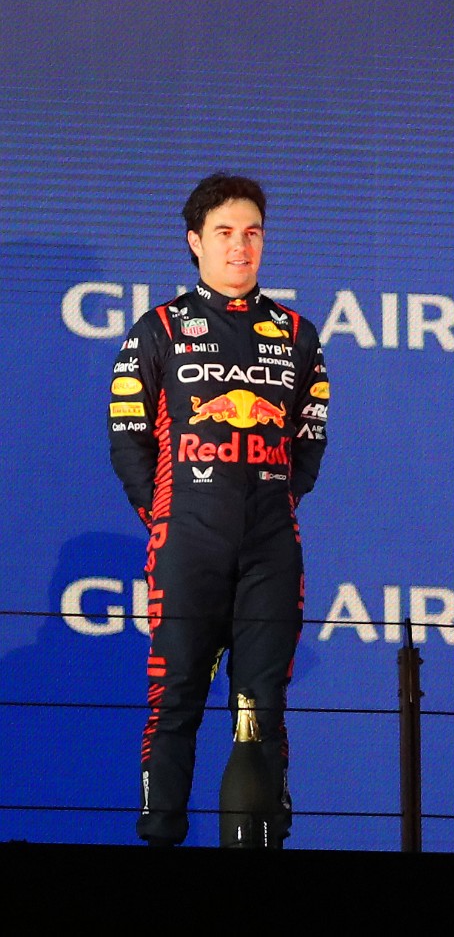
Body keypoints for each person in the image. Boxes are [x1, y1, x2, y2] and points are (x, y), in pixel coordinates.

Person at [109, 173, 330, 845]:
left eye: (253, 233)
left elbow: (309, 446)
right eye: (225, 234)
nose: (240, 248)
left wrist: (261, 504)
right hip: (185, 545)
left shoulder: (297, 334)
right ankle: (160, 838)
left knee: (260, 705)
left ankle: (262, 843)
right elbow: (127, 441)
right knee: (174, 697)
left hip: (270, 545)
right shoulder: (160, 329)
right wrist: (175, 518)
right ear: (195, 243)